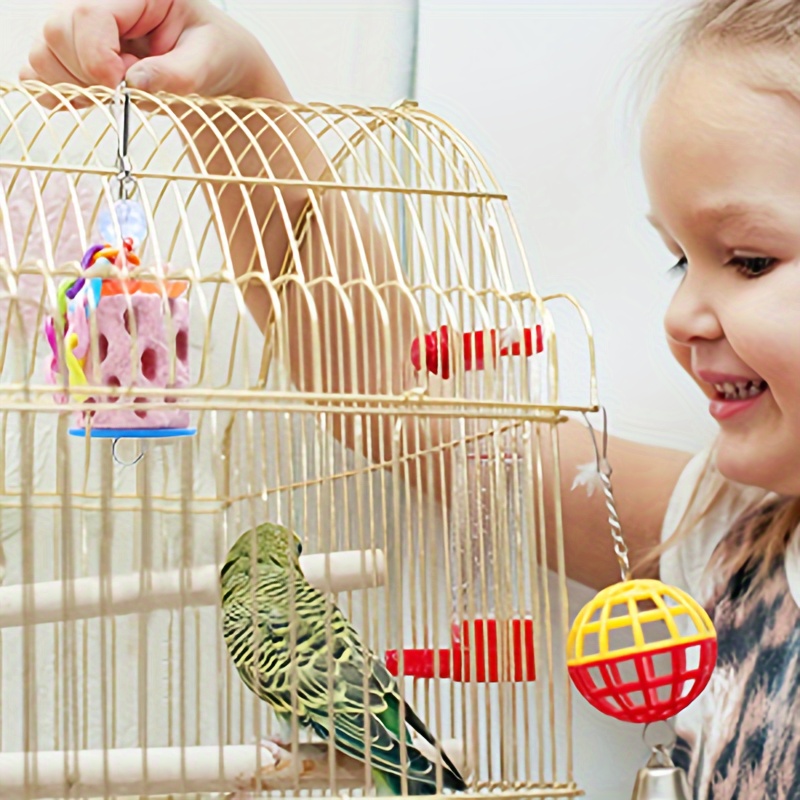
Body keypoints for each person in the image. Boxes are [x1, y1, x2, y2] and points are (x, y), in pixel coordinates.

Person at [21, 0, 799, 796]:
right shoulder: (724, 532)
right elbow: (387, 388)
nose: (681, 315)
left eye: (747, 260)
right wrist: (234, 102)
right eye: (679, 262)